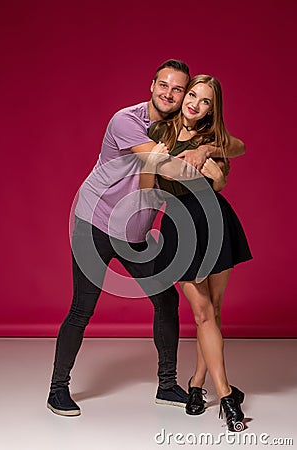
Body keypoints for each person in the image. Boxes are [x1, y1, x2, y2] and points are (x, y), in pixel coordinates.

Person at [46, 60, 244, 418]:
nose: (169, 94)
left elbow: (235, 144)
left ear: (184, 95)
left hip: (136, 233)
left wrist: (208, 149)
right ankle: (57, 389)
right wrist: (206, 160)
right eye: (163, 86)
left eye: (178, 89)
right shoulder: (126, 121)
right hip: (96, 224)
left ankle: (167, 386)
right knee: (82, 308)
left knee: (166, 302)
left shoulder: (175, 125)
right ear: (152, 85)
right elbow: (164, 165)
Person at [139, 74, 252, 431]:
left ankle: (197, 385)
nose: (195, 104)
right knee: (202, 311)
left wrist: (207, 153)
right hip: (179, 227)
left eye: (206, 101)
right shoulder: (159, 132)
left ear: (211, 110)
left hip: (215, 221)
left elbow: (234, 156)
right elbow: (146, 188)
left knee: (213, 313)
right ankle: (228, 397)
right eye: (193, 95)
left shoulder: (211, 139)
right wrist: (157, 167)